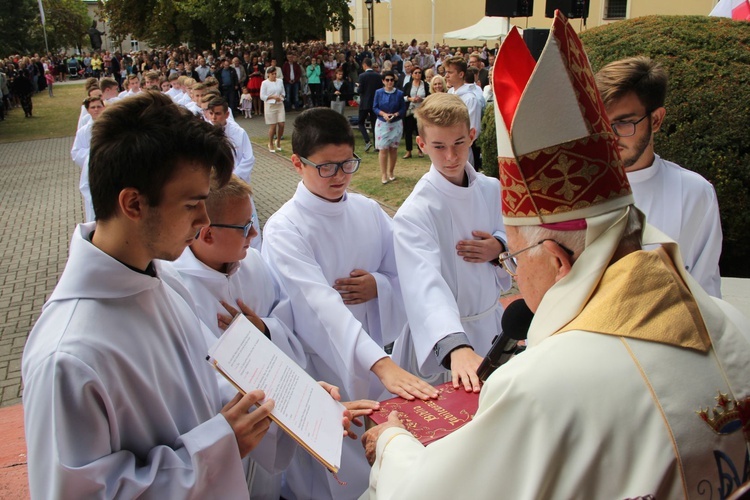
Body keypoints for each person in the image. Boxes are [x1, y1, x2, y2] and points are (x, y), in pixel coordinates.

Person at [362, 15, 750, 499]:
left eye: (516, 257)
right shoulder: (731, 326)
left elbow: (429, 491)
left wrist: (396, 441)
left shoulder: (542, 387)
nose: (515, 272)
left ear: (559, 261)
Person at [22, 91, 274, 498]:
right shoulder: (68, 357)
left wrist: (290, 405)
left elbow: (205, 387)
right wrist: (219, 447)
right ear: (134, 203)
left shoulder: (164, 280)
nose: (204, 220)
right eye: (193, 204)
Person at [262, 108, 438, 500]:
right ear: (297, 163)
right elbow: (319, 305)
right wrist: (380, 362)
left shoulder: (368, 210)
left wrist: (378, 285)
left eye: (348, 164)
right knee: (329, 475)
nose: (340, 176)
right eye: (326, 167)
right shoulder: (284, 228)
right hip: (322, 370)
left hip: (376, 359)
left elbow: (405, 272)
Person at [390, 93, 511, 390]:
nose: (451, 157)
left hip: (490, 323)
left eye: (458, 143)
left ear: (472, 136)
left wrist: (499, 246)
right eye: (439, 147)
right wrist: (455, 347)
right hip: (444, 339)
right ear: (421, 145)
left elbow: (515, 235)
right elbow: (424, 284)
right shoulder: (416, 211)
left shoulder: (491, 188)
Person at [595, 56, 723, 298]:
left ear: (656, 120)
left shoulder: (693, 192)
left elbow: (705, 288)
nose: (609, 136)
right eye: (600, 123)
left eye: (623, 123)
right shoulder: (575, 187)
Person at [206, 96, 262, 251]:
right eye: (211, 113)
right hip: (215, 184)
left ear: (226, 114)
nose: (213, 117)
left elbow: (248, 158)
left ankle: (254, 250)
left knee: (248, 217)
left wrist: (232, 178)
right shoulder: (205, 132)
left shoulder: (238, 132)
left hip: (237, 182)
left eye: (217, 113)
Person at [445, 56, 484, 171]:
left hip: (462, 148)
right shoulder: (450, 93)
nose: (446, 75)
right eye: (446, 72)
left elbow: (472, 128)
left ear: (461, 74)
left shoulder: (470, 99)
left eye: (450, 72)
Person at [373, 71, 406, 184]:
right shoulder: (378, 92)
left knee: (393, 149)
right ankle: (384, 174)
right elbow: (375, 107)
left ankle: (391, 172)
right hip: (382, 123)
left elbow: (403, 109)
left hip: (396, 123)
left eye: (391, 80)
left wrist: (395, 114)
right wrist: (384, 114)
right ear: (383, 81)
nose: (389, 82)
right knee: (383, 149)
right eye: (387, 80)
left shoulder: (399, 93)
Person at [401, 67, 430, 159]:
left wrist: (422, 99)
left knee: (420, 131)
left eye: (419, 73)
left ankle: (420, 150)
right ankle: (408, 151)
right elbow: (402, 97)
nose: (418, 74)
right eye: (416, 73)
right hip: (410, 111)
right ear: (412, 74)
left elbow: (430, 97)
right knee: (408, 131)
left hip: (421, 111)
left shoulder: (425, 85)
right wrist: (410, 99)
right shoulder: (408, 85)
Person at [357, 58, 384, 152]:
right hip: (375, 103)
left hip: (364, 102)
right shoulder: (378, 76)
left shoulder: (362, 76)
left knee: (360, 122)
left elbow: (360, 90)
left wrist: (357, 88)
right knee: (374, 124)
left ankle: (367, 140)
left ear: (364, 65)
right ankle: (377, 145)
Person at [260, 67, 286, 153]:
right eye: (272, 74)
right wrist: (272, 97)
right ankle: (270, 143)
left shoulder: (280, 81)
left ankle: (278, 141)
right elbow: (262, 96)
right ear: (268, 74)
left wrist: (281, 97)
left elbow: (283, 93)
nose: (274, 75)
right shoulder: (264, 83)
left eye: (275, 74)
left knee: (281, 124)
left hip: (279, 105)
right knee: (273, 126)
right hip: (270, 106)